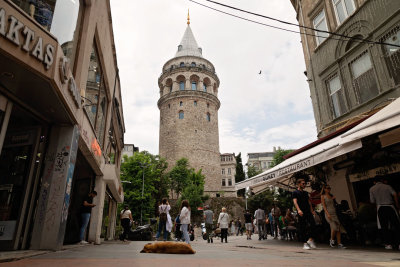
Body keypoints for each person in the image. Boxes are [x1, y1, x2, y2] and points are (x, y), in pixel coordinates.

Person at [369, 176, 400, 250]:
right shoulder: (388, 186)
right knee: (396, 225)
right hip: (390, 207)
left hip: (380, 208)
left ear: (374, 182)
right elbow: (395, 194)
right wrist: (397, 205)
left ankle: (388, 244)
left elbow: (372, 201)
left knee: (384, 227)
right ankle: (399, 243)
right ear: (381, 180)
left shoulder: (371, 189)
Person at [292, 179, 317, 250]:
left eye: (305, 183)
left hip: (308, 211)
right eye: (303, 183)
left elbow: (309, 202)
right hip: (301, 212)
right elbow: (295, 202)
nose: (304, 185)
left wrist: (312, 210)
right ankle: (305, 243)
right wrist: (299, 210)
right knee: (303, 227)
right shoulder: (295, 192)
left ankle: (310, 240)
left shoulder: (306, 193)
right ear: (298, 184)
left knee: (313, 225)